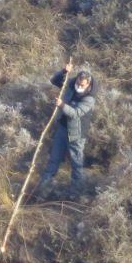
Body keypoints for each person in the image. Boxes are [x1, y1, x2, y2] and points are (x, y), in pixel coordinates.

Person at [39, 63, 96, 194]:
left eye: (83, 85)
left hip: (77, 134)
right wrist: (64, 71)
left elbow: (75, 114)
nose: (79, 86)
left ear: (88, 84)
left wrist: (62, 105)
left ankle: (76, 193)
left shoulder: (89, 99)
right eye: (78, 83)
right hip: (62, 129)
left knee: (76, 165)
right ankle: (42, 190)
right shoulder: (71, 85)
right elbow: (55, 80)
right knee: (53, 160)